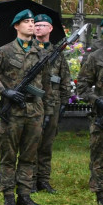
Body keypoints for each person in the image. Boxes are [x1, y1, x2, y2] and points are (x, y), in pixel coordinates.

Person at [0, 9, 52, 205]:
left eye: (32, 21)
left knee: (29, 156)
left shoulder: (42, 52)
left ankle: (25, 194)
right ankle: (9, 195)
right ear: (16, 26)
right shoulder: (5, 51)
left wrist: (48, 110)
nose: (31, 24)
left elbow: (47, 84)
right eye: (26, 21)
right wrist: (5, 92)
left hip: (35, 109)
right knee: (9, 156)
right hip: (12, 111)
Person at [73, 15, 103, 205]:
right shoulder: (95, 57)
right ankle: (101, 194)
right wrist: (98, 101)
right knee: (100, 154)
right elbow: (83, 87)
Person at [33, 13, 71, 194]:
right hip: (34, 102)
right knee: (31, 142)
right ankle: (29, 180)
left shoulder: (58, 52)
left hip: (53, 102)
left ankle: (43, 179)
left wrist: (64, 102)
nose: (38, 27)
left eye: (42, 25)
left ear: (50, 28)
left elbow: (65, 78)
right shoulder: (29, 49)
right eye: (36, 24)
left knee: (47, 143)